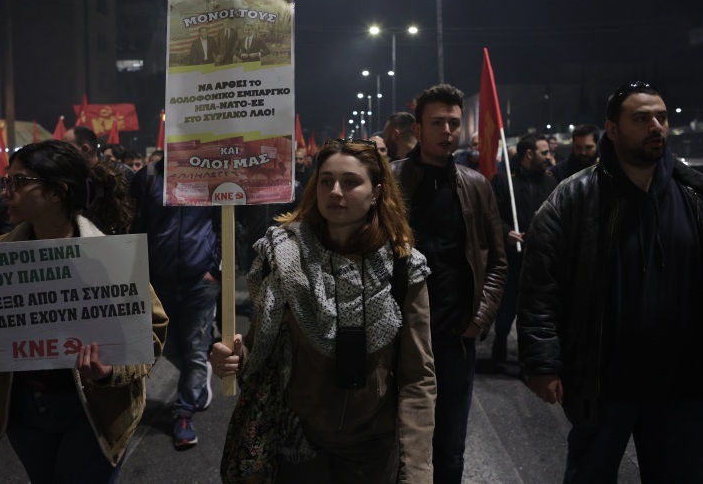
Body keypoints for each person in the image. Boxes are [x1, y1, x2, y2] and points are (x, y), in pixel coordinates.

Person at [518, 81, 703, 482]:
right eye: (642, 118)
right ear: (612, 130)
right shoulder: (573, 199)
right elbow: (540, 289)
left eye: (661, 117)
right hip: (604, 385)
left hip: (685, 387)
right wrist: (543, 363)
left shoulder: (702, 197)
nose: (656, 126)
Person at [212, 138, 435, 483]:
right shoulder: (285, 256)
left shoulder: (404, 268)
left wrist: (417, 471)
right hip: (297, 437)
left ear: (376, 193)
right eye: (326, 181)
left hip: (371, 444)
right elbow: (260, 349)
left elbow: (418, 377)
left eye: (350, 182)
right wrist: (231, 358)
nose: (335, 191)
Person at [0, 140, 168, 483]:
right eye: (6, 181)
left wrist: (110, 372)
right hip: (25, 413)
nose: (5, 192)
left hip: (93, 413)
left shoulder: (108, 255)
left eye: (18, 182)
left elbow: (152, 332)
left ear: (57, 192)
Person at [391, 84, 507, 483]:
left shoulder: (476, 184)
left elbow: (498, 261)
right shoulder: (391, 180)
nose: (447, 131)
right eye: (437, 122)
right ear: (417, 129)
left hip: (455, 337)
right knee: (395, 442)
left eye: (453, 123)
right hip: (396, 335)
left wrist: (479, 319)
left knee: (450, 447)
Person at [130, 157, 221, 450]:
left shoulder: (214, 171)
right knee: (163, 343)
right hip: (158, 280)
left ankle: (183, 413)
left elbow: (228, 222)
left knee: (194, 346)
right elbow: (136, 226)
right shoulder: (149, 176)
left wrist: (216, 269)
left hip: (200, 279)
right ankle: (197, 374)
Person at [487, 134, 556, 366]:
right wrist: (506, 232)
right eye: (544, 153)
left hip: (540, 260)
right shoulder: (504, 180)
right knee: (506, 307)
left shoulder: (550, 182)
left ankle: (528, 359)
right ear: (529, 154)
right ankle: (500, 342)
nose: (549, 157)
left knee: (534, 310)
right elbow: (492, 215)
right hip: (512, 260)